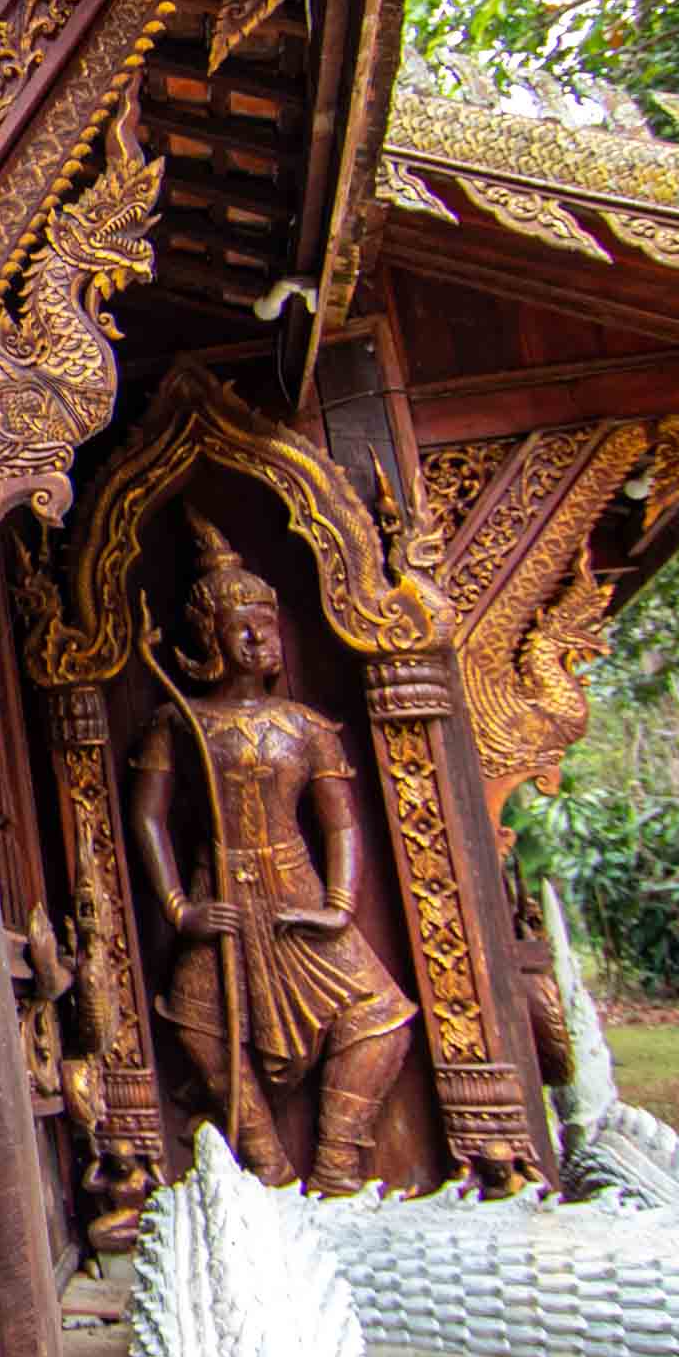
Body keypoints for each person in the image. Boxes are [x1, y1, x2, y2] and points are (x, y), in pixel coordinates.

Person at [126, 511, 415, 1194]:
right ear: (210, 638)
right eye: (242, 627)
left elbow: (341, 825)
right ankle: (267, 1164)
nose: (259, 638)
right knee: (198, 1023)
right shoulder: (181, 722)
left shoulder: (306, 727)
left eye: (266, 623)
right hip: (221, 892)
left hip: (296, 892)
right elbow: (147, 818)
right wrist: (179, 909)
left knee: (383, 1020)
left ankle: (337, 1161)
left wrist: (339, 905)